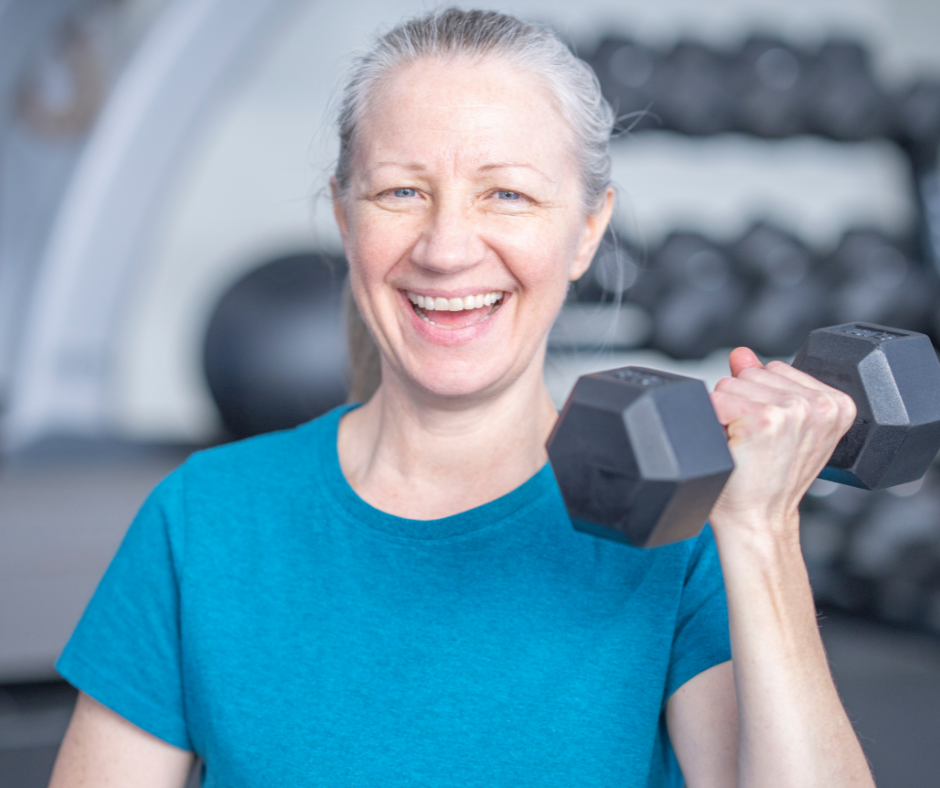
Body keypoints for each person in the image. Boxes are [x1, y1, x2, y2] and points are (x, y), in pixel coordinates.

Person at [49, 9, 874, 787]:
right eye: (401, 192)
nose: (447, 250)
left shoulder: (681, 534)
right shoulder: (205, 520)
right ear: (344, 217)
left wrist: (763, 533)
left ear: (588, 230)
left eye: (506, 193)